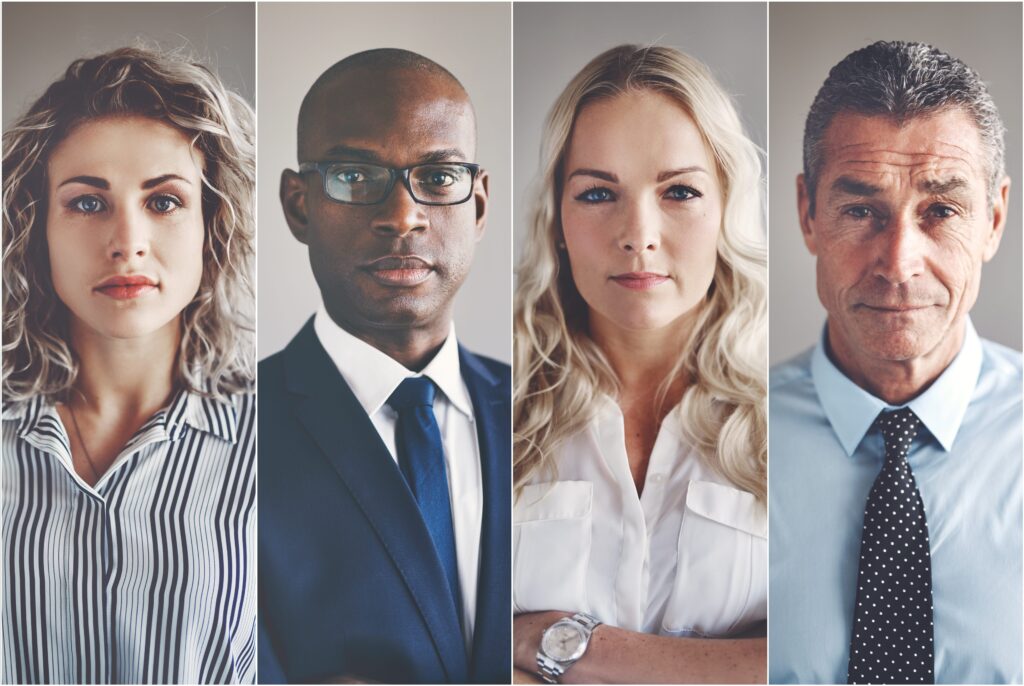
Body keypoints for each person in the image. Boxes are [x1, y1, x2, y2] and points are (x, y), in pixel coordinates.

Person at [512, 45, 767, 684]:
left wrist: (556, 641)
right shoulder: (490, 399)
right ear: (558, 221)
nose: (639, 234)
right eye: (599, 193)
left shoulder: (799, 409)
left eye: (679, 190)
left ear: (726, 208)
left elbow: (824, 658)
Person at [1, 47, 256, 684]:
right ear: (38, 229)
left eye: (164, 201)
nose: (127, 242)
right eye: (88, 203)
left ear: (211, 224)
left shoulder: (286, 437)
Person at [769, 40, 1020, 684]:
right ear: (808, 213)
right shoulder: (730, 434)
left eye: (942, 211)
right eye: (860, 210)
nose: (899, 261)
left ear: (993, 219)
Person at [257, 48, 510, 684]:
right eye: (353, 175)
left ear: (478, 206)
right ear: (298, 204)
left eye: (440, 178)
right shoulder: (227, 433)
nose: (402, 216)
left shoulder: (541, 405)